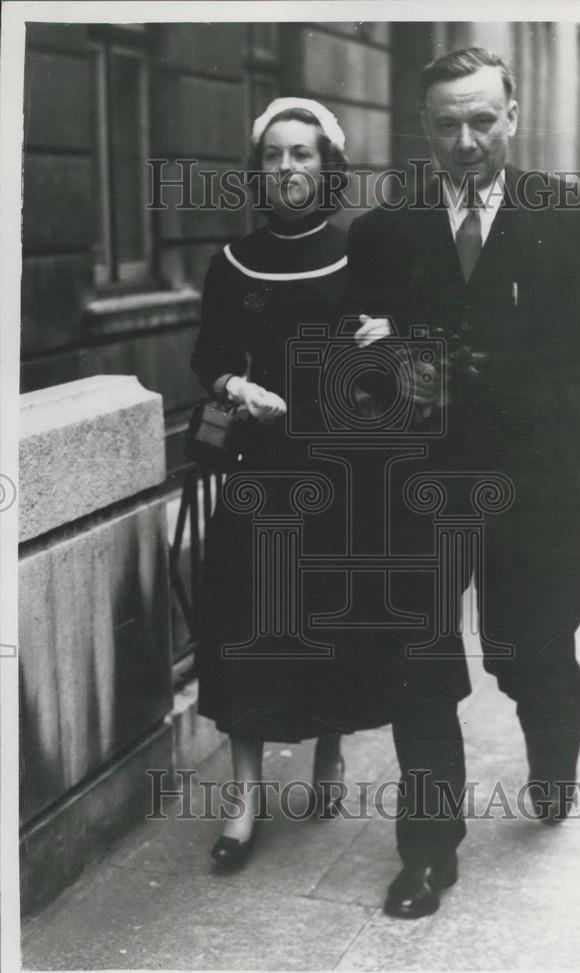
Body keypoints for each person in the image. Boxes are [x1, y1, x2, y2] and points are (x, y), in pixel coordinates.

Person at [341, 46, 580, 917]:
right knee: (418, 661)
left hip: (531, 485)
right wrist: (380, 358)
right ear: (424, 128)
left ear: (511, 117)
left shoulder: (563, 216)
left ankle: (551, 754)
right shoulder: (385, 231)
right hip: (420, 489)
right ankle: (428, 853)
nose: (465, 142)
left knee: (527, 650)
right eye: (446, 125)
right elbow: (357, 370)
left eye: (481, 121)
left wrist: (543, 449)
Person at [190, 97, 392, 871]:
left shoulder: (357, 255)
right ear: (260, 170)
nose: (287, 169)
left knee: (326, 625)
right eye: (274, 155)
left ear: (326, 166)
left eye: (302, 154)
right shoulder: (230, 261)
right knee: (243, 628)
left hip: (336, 473)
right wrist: (235, 389)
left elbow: (387, 367)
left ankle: (329, 754)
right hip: (256, 471)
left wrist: (380, 345)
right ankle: (244, 801)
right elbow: (206, 356)